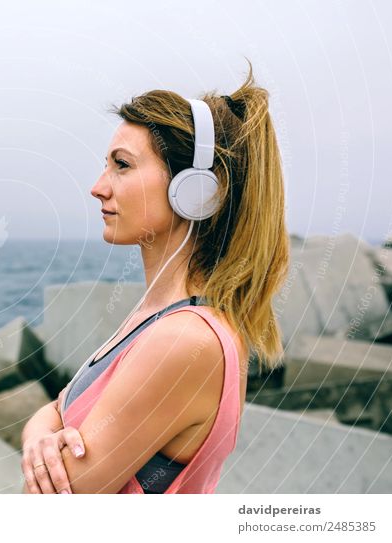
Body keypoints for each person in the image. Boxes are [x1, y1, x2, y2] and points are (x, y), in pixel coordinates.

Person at [20, 59, 290, 494]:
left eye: (122, 165)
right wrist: (38, 440)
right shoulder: (157, 316)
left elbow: (53, 497)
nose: (98, 187)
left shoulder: (184, 341)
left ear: (195, 191)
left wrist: (42, 444)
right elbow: (55, 411)